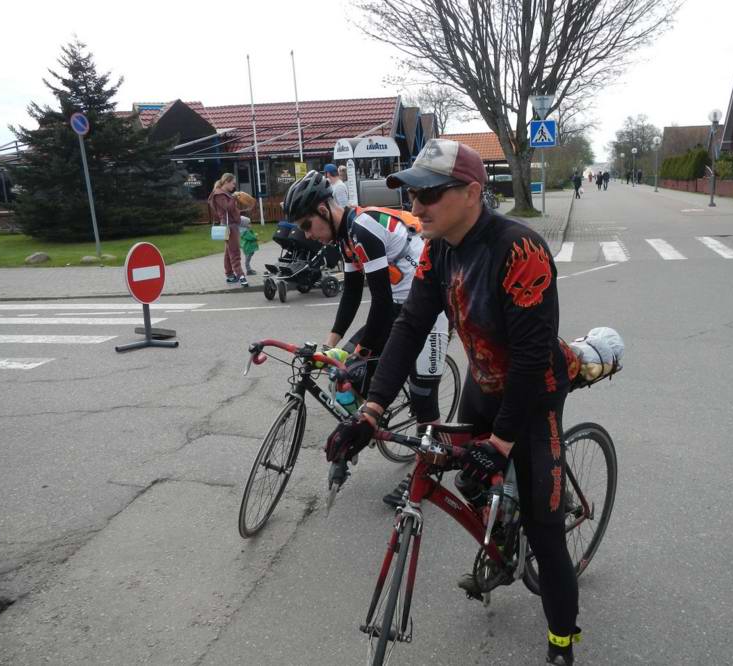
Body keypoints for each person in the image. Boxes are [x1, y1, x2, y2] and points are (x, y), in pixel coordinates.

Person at [324, 138, 581, 664]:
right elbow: (411, 325)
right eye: (413, 197)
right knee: (465, 476)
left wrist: (503, 443)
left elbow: (531, 361)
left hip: (534, 396)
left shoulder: (520, 248)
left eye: (429, 196)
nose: (415, 209)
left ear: (471, 192)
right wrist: (369, 412)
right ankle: (501, 535)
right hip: (484, 385)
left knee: (546, 530)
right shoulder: (438, 249)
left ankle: (561, 640)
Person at [282, 170, 450, 506]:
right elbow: (352, 294)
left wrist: (362, 353)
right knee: (343, 370)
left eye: (306, 225)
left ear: (324, 210)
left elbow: (382, 305)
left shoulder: (362, 230)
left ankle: (429, 472)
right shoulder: (344, 239)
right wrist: (332, 345)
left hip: (428, 307)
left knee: (423, 399)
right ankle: (367, 423)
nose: (307, 235)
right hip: (398, 305)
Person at [207, 173, 248, 287]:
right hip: (229, 226)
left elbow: (231, 209)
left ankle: (230, 275)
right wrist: (234, 197)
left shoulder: (223, 193)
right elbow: (228, 208)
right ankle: (240, 275)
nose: (234, 186)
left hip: (231, 224)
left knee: (228, 251)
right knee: (234, 251)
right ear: (226, 182)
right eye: (233, 183)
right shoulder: (219, 194)